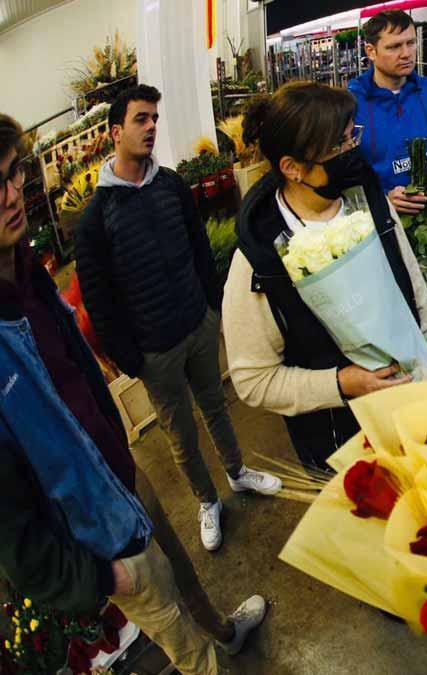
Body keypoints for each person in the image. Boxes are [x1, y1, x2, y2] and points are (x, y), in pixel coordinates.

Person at [0, 114, 266, 675]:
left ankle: (225, 631)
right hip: (86, 523)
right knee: (170, 623)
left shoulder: (28, 269)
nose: (12, 194)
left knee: (179, 570)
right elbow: (10, 526)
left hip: (116, 467)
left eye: (12, 173)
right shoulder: (94, 220)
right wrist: (99, 576)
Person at [75, 85, 281, 553]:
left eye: (154, 119)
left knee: (216, 406)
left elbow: (199, 250)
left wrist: (211, 306)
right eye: (140, 119)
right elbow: (99, 301)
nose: (151, 127)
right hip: (155, 351)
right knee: (180, 434)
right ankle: (207, 501)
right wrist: (134, 361)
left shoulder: (169, 185)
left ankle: (237, 472)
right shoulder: (96, 219)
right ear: (115, 132)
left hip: (197, 325)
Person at [224, 81, 427, 469]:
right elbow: (253, 381)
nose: (350, 152)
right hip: (340, 444)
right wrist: (341, 384)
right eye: (336, 146)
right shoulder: (260, 261)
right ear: (291, 168)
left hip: (417, 405)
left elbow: (414, 291)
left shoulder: (370, 200)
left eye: (350, 137)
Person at [348, 9, 427, 277]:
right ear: (371, 51)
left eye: (410, 42)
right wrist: (382, 201)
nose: (406, 53)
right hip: (380, 227)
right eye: (394, 46)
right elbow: (348, 170)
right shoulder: (352, 102)